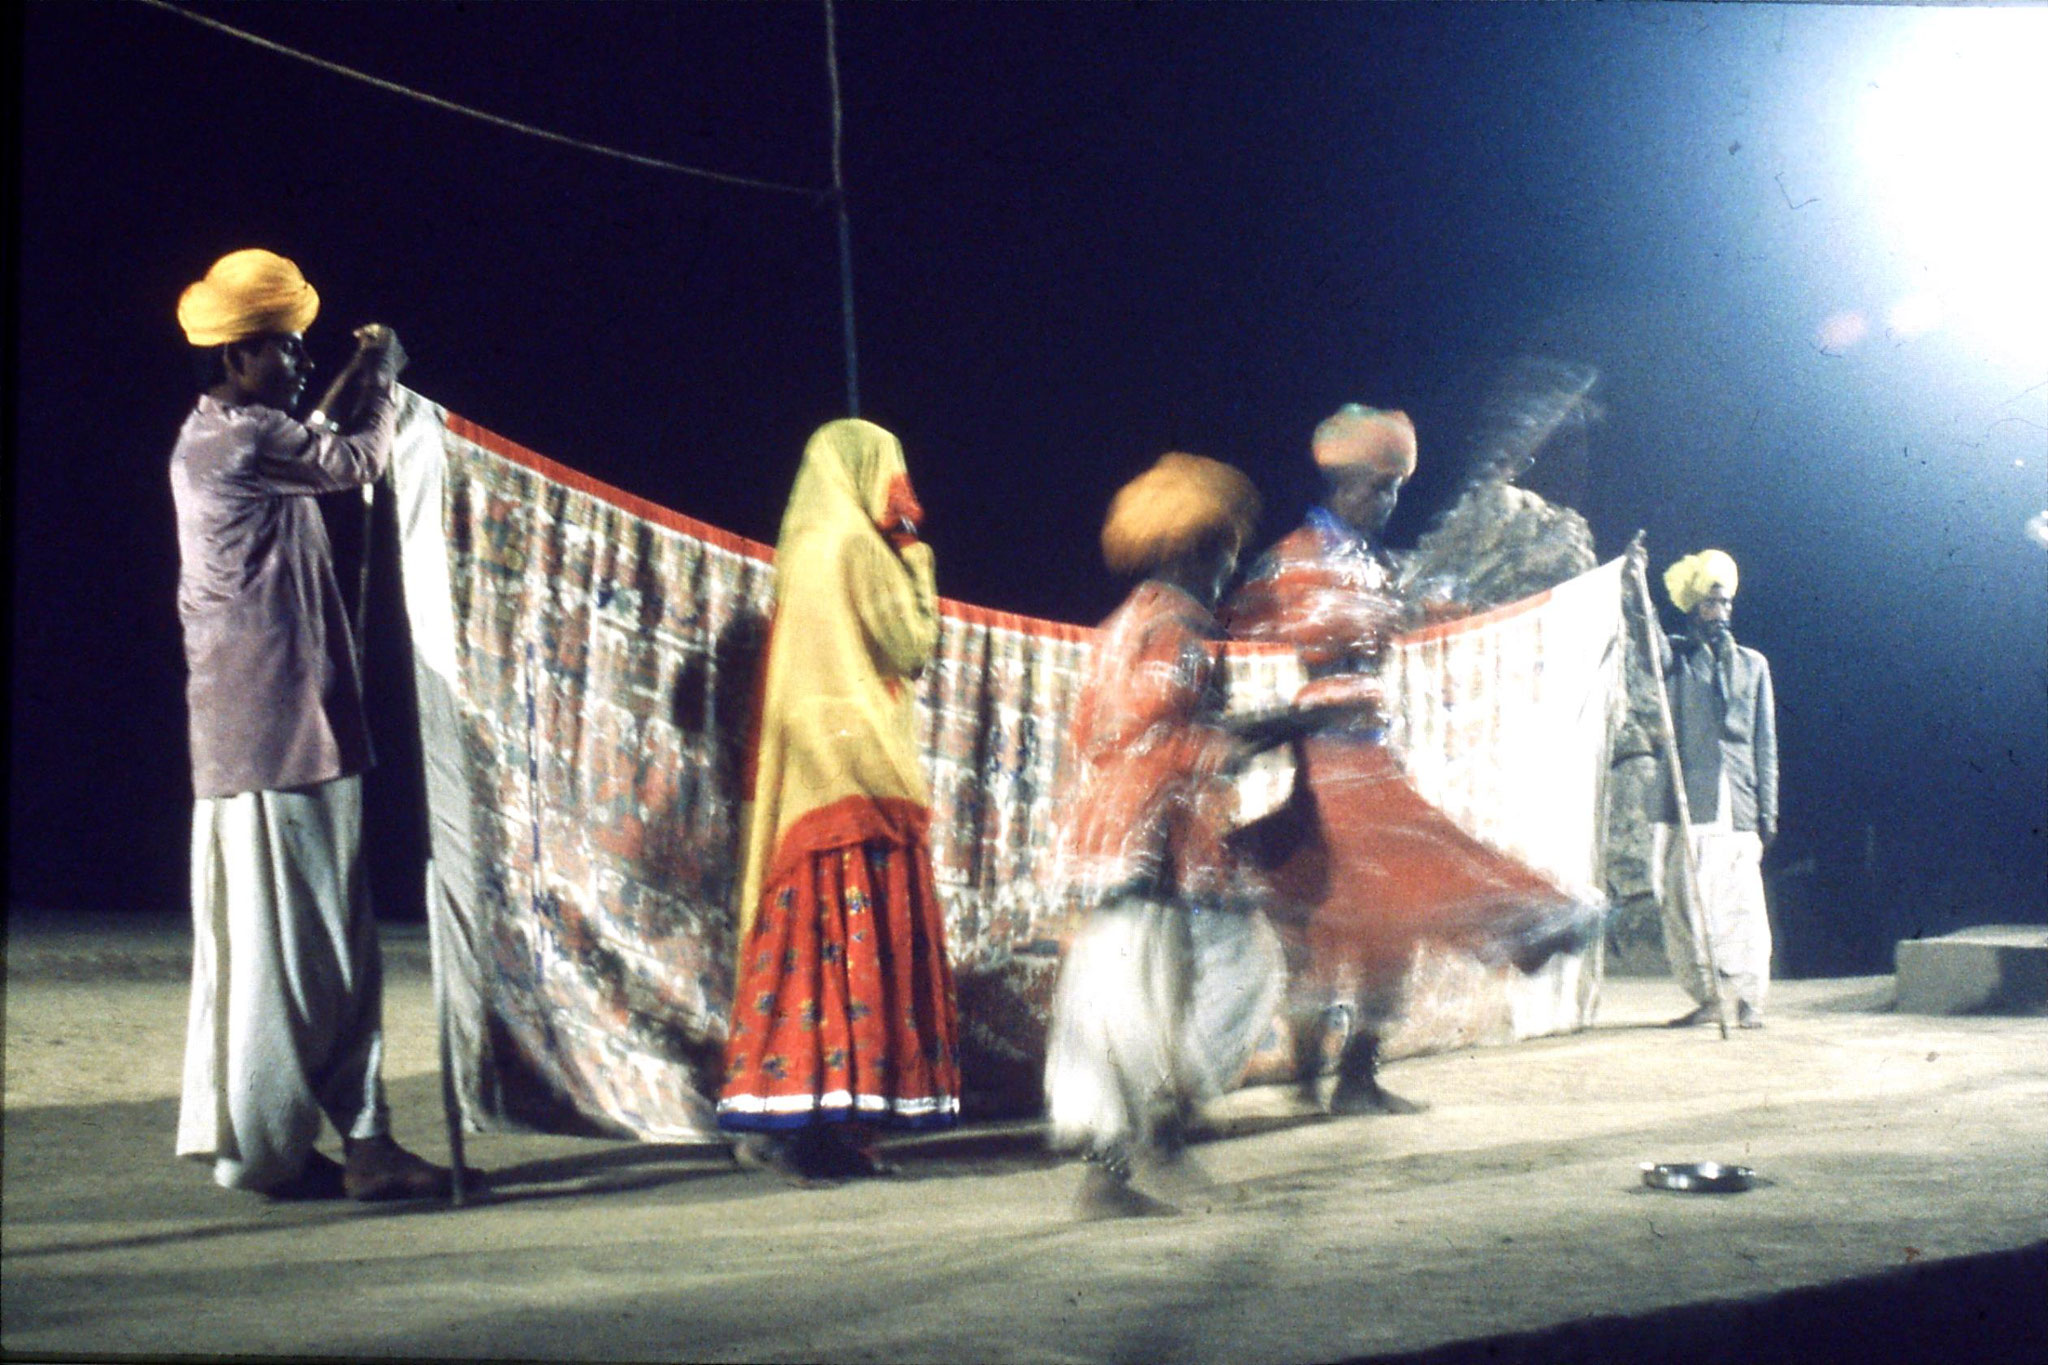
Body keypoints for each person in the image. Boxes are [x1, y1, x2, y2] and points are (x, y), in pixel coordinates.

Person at [171, 248, 450, 1200]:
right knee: (334, 945)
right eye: (284, 350)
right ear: (240, 358)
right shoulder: (247, 443)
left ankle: (264, 1146)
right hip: (286, 727)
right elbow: (355, 457)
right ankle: (366, 1142)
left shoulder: (216, 434)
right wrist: (385, 378)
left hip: (248, 729)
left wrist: (347, 381)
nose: (295, 362)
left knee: (267, 951)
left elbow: (311, 434)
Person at [717, 419, 960, 1179]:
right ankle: (831, 1127)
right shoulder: (859, 548)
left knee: (808, 952)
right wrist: (916, 554)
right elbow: (914, 642)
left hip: (808, 786)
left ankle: (797, 1122)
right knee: (857, 951)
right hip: (862, 772)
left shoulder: (802, 553)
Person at [1044, 452, 1280, 1219]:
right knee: (1231, 970)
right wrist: (1239, 740)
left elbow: (1097, 730)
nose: (1226, 574)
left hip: (1112, 837)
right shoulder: (1180, 628)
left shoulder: (1124, 623)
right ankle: (1157, 1147)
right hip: (1153, 838)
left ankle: (1112, 1176)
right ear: (1192, 549)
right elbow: (1157, 730)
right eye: (1224, 556)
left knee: (1131, 1001)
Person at [1653, 550, 1779, 1029]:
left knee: (1743, 908)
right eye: (1710, 606)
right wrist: (1635, 582)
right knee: (1686, 903)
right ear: (1693, 610)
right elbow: (1649, 645)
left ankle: (1749, 1000)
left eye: (1725, 605)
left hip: (1740, 804)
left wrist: (1768, 810)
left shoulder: (1754, 666)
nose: (1720, 614)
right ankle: (1708, 996)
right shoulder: (1680, 662)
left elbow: (1765, 743)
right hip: (1693, 803)